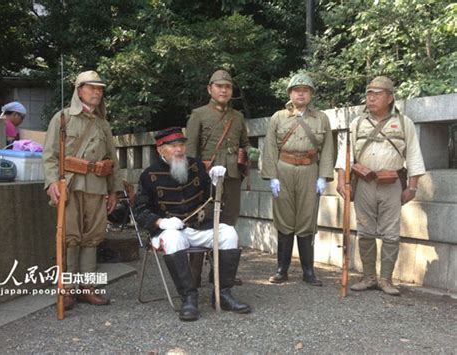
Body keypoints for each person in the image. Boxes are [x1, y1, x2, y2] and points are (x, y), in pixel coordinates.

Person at [134, 127, 251, 321]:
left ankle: (223, 295)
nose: (179, 150)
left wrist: (216, 182)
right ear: (160, 149)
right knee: (173, 238)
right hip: (168, 231)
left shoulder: (196, 166)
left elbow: (214, 200)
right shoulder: (148, 175)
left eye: (181, 145)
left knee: (229, 233)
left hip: (199, 227)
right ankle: (188, 298)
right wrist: (161, 222)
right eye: (173, 146)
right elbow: (139, 211)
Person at [335, 76, 425, 296]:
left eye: (377, 93)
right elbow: (345, 156)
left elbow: (413, 155)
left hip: (392, 183)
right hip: (363, 182)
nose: (371, 98)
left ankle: (386, 279)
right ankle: (368, 277)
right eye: (368, 93)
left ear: (390, 98)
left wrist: (412, 187)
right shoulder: (357, 123)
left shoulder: (404, 123)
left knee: (391, 233)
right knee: (365, 231)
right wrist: (341, 181)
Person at [43, 70, 123, 310]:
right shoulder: (63, 118)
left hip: (97, 186)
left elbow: (113, 161)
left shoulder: (103, 124)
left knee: (93, 238)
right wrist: (51, 183)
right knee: (70, 238)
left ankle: (87, 288)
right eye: (91, 88)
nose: (96, 93)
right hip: (70, 185)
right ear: (79, 90)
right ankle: (68, 290)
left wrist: (113, 191)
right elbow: (49, 156)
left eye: (100, 89)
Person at [185, 70, 260, 286]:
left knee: (228, 223)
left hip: (232, 176)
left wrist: (251, 151)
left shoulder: (237, 117)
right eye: (219, 86)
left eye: (227, 87)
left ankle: (222, 274)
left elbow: (244, 142)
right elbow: (191, 150)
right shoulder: (198, 114)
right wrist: (195, 177)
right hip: (206, 178)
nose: (224, 90)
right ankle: (194, 274)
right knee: (202, 223)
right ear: (210, 89)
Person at [261, 71, 334, 286]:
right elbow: (270, 148)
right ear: (290, 94)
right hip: (283, 169)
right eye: (296, 90)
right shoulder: (278, 117)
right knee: (284, 219)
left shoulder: (321, 118)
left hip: (309, 169)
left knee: (306, 219)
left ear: (311, 94)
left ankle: (308, 271)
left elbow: (328, 148)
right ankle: (282, 269)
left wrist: (323, 176)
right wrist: (271, 176)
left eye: (305, 90)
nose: (301, 94)